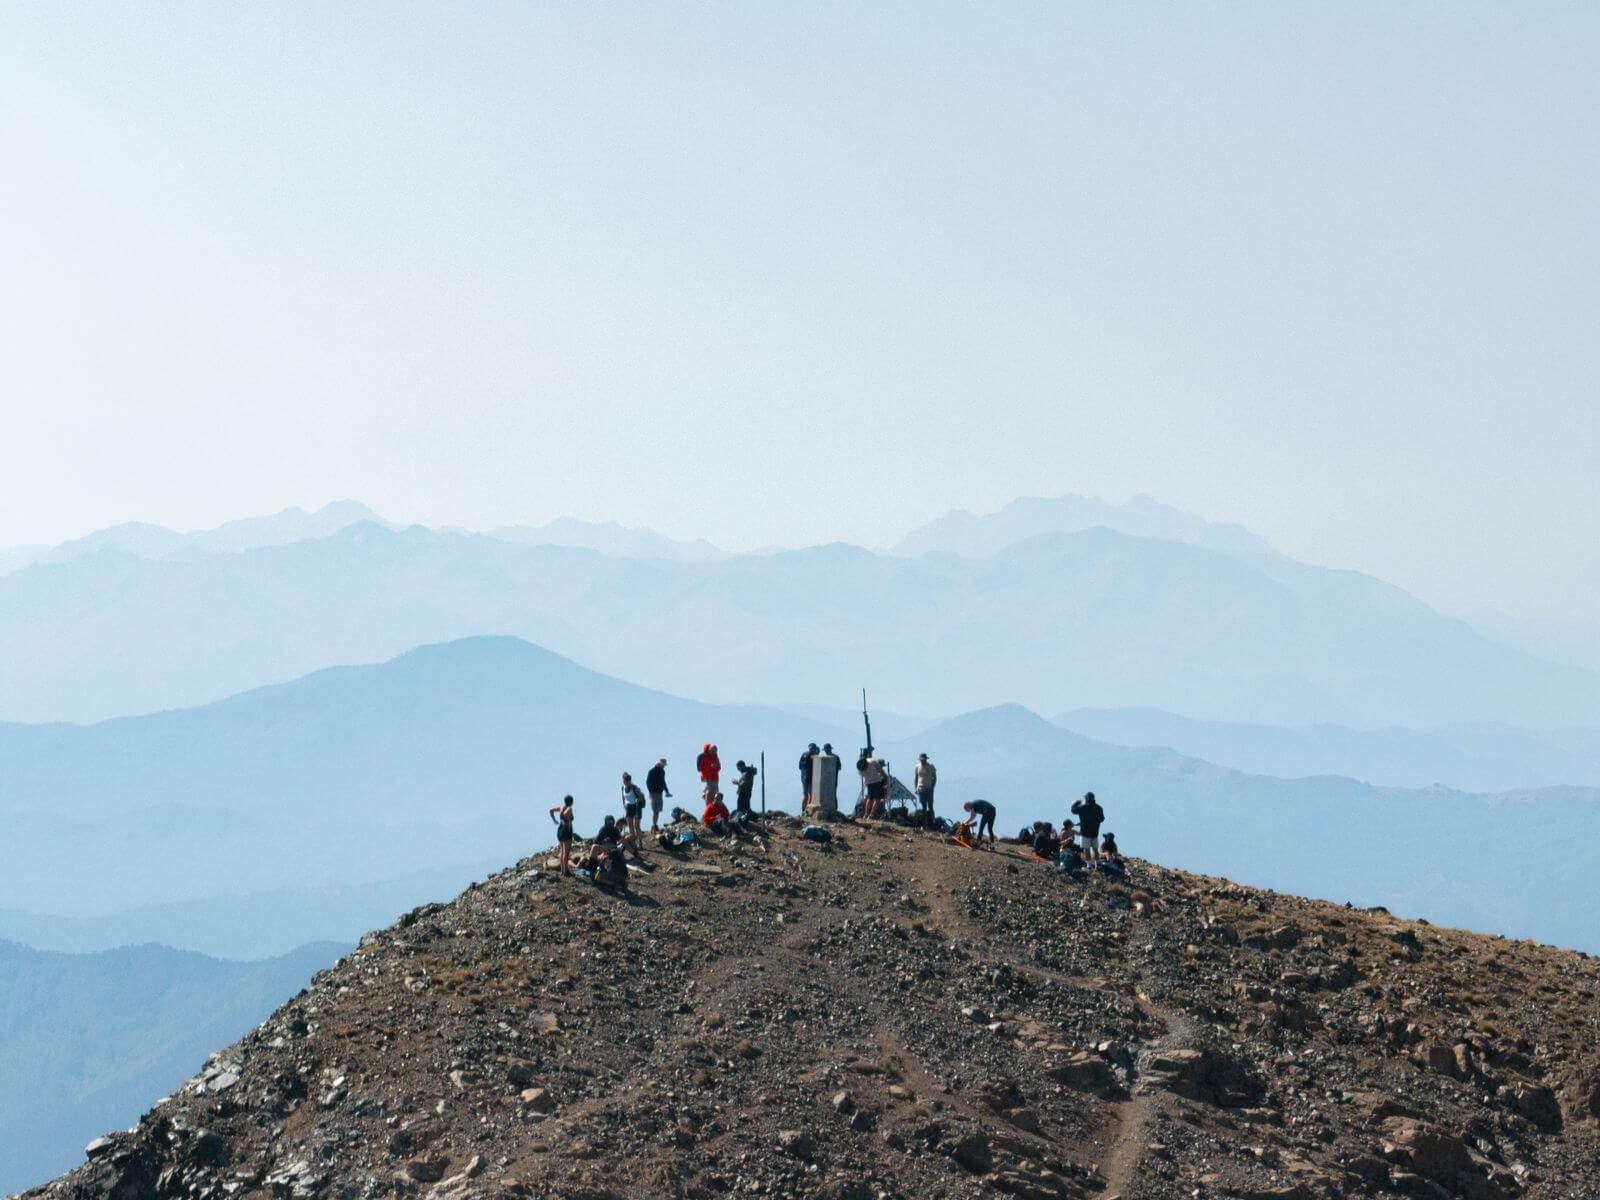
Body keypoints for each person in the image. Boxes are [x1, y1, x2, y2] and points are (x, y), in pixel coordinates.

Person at [1071, 791, 1105, 860]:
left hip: (1085, 832)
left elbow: (1073, 811)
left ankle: (1089, 865)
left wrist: (1076, 803)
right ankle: (1097, 864)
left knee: (1086, 849)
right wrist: (1094, 822)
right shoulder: (1099, 808)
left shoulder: (1082, 807)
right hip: (1095, 832)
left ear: (1087, 798)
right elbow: (1102, 819)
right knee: (1095, 849)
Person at [549, 795, 576, 875]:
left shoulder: (561, 807)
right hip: (566, 830)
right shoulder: (569, 808)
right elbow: (566, 813)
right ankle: (566, 871)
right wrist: (569, 822)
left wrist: (554, 820)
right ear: (571, 802)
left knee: (562, 850)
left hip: (560, 829)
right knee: (566, 852)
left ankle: (562, 870)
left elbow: (551, 810)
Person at [815, 743, 842, 817]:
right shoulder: (835, 757)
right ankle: (833, 808)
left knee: (832, 793)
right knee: (832, 793)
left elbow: (839, 767)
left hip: (831, 779)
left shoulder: (830, 758)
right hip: (833, 779)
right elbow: (839, 768)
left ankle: (833, 808)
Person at [645, 757, 671, 832]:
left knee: (658, 810)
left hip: (659, 793)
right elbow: (648, 782)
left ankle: (655, 825)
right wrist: (651, 792)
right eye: (663, 764)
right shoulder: (652, 771)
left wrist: (666, 791)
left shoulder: (662, 771)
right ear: (659, 764)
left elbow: (663, 781)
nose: (664, 766)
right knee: (655, 810)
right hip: (654, 793)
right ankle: (654, 826)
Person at [620, 773, 646, 840]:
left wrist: (637, 801)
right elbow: (623, 797)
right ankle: (633, 839)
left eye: (628, 780)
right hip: (628, 808)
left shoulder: (634, 787)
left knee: (636, 826)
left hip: (636, 807)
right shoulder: (623, 787)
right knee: (630, 825)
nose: (626, 781)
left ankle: (640, 842)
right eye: (625, 780)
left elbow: (640, 797)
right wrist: (624, 806)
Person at [913, 753, 937, 825]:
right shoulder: (917, 767)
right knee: (923, 807)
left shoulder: (931, 766)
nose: (923, 761)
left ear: (926, 759)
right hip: (921, 788)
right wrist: (915, 788)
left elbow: (934, 777)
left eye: (924, 760)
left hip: (929, 788)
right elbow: (916, 778)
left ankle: (932, 822)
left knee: (930, 806)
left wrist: (932, 787)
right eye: (921, 760)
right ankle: (925, 823)